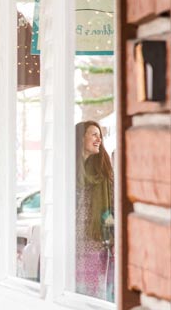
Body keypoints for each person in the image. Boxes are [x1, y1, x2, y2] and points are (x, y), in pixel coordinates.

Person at [75, 121, 114, 302]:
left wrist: (111, 238)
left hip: (95, 243)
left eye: (100, 135)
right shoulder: (68, 169)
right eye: (94, 134)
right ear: (81, 138)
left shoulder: (104, 170)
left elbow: (111, 208)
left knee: (93, 297)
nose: (99, 139)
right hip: (72, 244)